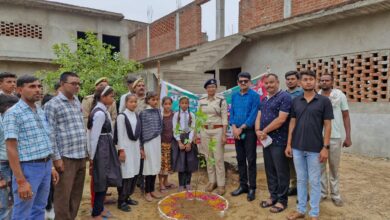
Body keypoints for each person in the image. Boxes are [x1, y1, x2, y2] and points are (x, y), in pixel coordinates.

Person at [3, 75, 59, 219]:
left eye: (39, 86)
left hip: (45, 166)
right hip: (28, 168)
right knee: (22, 211)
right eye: (32, 86)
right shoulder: (13, 113)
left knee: (39, 208)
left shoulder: (40, 111)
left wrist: (51, 166)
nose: (38, 90)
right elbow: (11, 148)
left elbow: (45, 139)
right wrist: (21, 181)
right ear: (20, 90)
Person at [285, 70, 333, 220]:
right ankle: (300, 210)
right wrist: (288, 144)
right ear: (300, 82)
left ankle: (314, 213)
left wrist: (325, 148)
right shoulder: (296, 101)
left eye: (311, 79)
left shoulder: (324, 101)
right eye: (305, 79)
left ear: (315, 81)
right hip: (297, 147)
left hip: (315, 148)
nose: (308, 82)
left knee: (314, 180)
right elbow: (292, 122)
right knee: (300, 179)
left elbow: (328, 125)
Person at [44, 72, 88, 220]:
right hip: (65, 158)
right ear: (62, 84)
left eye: (78, 84)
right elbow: (50, 134)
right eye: (73, 83)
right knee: (63, 196)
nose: (77, 86)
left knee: (76, 195)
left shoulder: (76, 101)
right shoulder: (52, 105)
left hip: (80, 155)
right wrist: (56, 159)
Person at [255, 73, 291, 213]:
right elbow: (259, 115)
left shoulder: (285, 97)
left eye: (271, 82)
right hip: (266, 141)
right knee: (270, 170)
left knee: (281, 171)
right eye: (266, 83)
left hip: (279, 140)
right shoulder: (263, 99)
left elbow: (282, 119)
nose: (269, 85)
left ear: (277, 82)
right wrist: (258, 130)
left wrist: (264, 131)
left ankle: (282, 201)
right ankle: (273, 196)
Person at [87, 86, 122, 219]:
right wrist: (92, 156)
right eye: (111, 96)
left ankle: (100, 208)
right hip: (101, 149)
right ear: (103, 97)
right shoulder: (100, 113)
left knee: (105, 177)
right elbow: (93, 136)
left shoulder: (103, 111)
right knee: (101, 179)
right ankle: (96, 212)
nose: (113, 99)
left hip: (106, 146)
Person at [319, 73, 352, 207]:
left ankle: (335, 195)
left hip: (335, 137)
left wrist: (348, 136)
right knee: (320, 167)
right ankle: (322, 193)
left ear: (332, 82)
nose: (324, 82)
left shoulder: (340, 95)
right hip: (318, 138)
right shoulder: (316, 96)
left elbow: (346, 116)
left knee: (334, 167)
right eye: (322, 80)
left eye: (327, 80)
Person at [229, 72, 260, 202]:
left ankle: (252, 187)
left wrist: (241, 128)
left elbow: (254, 114)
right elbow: (232, 112)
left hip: (249, 132)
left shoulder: (255, 96)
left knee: (251, 160)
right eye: (240, 81)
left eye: (245, 81)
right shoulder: (234, 96)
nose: (243, 83)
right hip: (237, 132)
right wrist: (234, 127)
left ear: (250, 82)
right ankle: (243, 186)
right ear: (237, 83)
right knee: (240, 159)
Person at [198, 79, 228, 195]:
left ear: (216, 88)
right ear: (206, 89)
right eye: (209, 87)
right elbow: (199, 117)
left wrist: (224, 134)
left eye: (213, 86)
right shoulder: (202, 101)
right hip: (205, 130)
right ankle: (212, 181)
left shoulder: (221, 101)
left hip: (218, 130)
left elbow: (225, 118)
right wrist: (197, 133)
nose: (211, 89)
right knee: (208, 157)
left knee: (218, 158)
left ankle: (221, 184)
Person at [115, 94, 141, 212]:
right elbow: (120, 135)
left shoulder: (135, 115)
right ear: (126, 103)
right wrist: (121, 150)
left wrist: (140, 148)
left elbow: (137, 134)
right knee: (125, 175)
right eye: (131, 102)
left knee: (133, 173)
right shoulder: (122, 116)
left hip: (134, 148)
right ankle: (121, 201)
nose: (134, 104)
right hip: (125, 148)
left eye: (135, 102)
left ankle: (127, 197)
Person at [139, 92, 163, 201]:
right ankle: (147, 191)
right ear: (148, 100)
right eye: (153, 99)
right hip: (147, 143)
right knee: (148, 167)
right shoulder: (143, 113)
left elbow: (160, 126)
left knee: (155, 166)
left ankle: (152, 189)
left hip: (157, 141)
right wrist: (141, 147)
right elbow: (141, 130)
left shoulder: (158, 111)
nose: (155, 101)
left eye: (157, 99)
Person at [172, 96, 198, 192]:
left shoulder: (191, 115)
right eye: (182, 103)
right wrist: (179, 142)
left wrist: (189, 143)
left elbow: (192, 129)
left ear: (188, 104)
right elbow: (175, 129)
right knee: (181, 162)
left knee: (189, 162)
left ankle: (188, 183)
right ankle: (181, 184)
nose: (184, 105)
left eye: (186, 103)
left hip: (189, 140)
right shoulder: (176, 115)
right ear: (179, 104)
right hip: (180, 139)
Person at [285, 70, 304, 196]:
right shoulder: (283, 94)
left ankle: (303, 187)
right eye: (288, 79)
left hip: (300, 130)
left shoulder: (302, 93)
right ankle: (293, 185)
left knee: (301, 159)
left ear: (297, 80)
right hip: (285, 129)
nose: (290, 81)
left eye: (292, 79)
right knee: (289, 159)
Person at [0, 94, 18, 220]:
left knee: (14, 201)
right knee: (5, 204)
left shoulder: (10, 120)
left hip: (14, 163)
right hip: (3, 165)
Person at [158, 97, 176, 193]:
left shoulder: (174, 115)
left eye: (169, 104)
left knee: (168, 164)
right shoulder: (160, 116)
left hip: (171, 143)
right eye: (166, 104)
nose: (167, 106)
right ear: (162, 105)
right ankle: (160, 183)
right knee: (162, 165)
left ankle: (166, 181)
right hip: (161, 143)